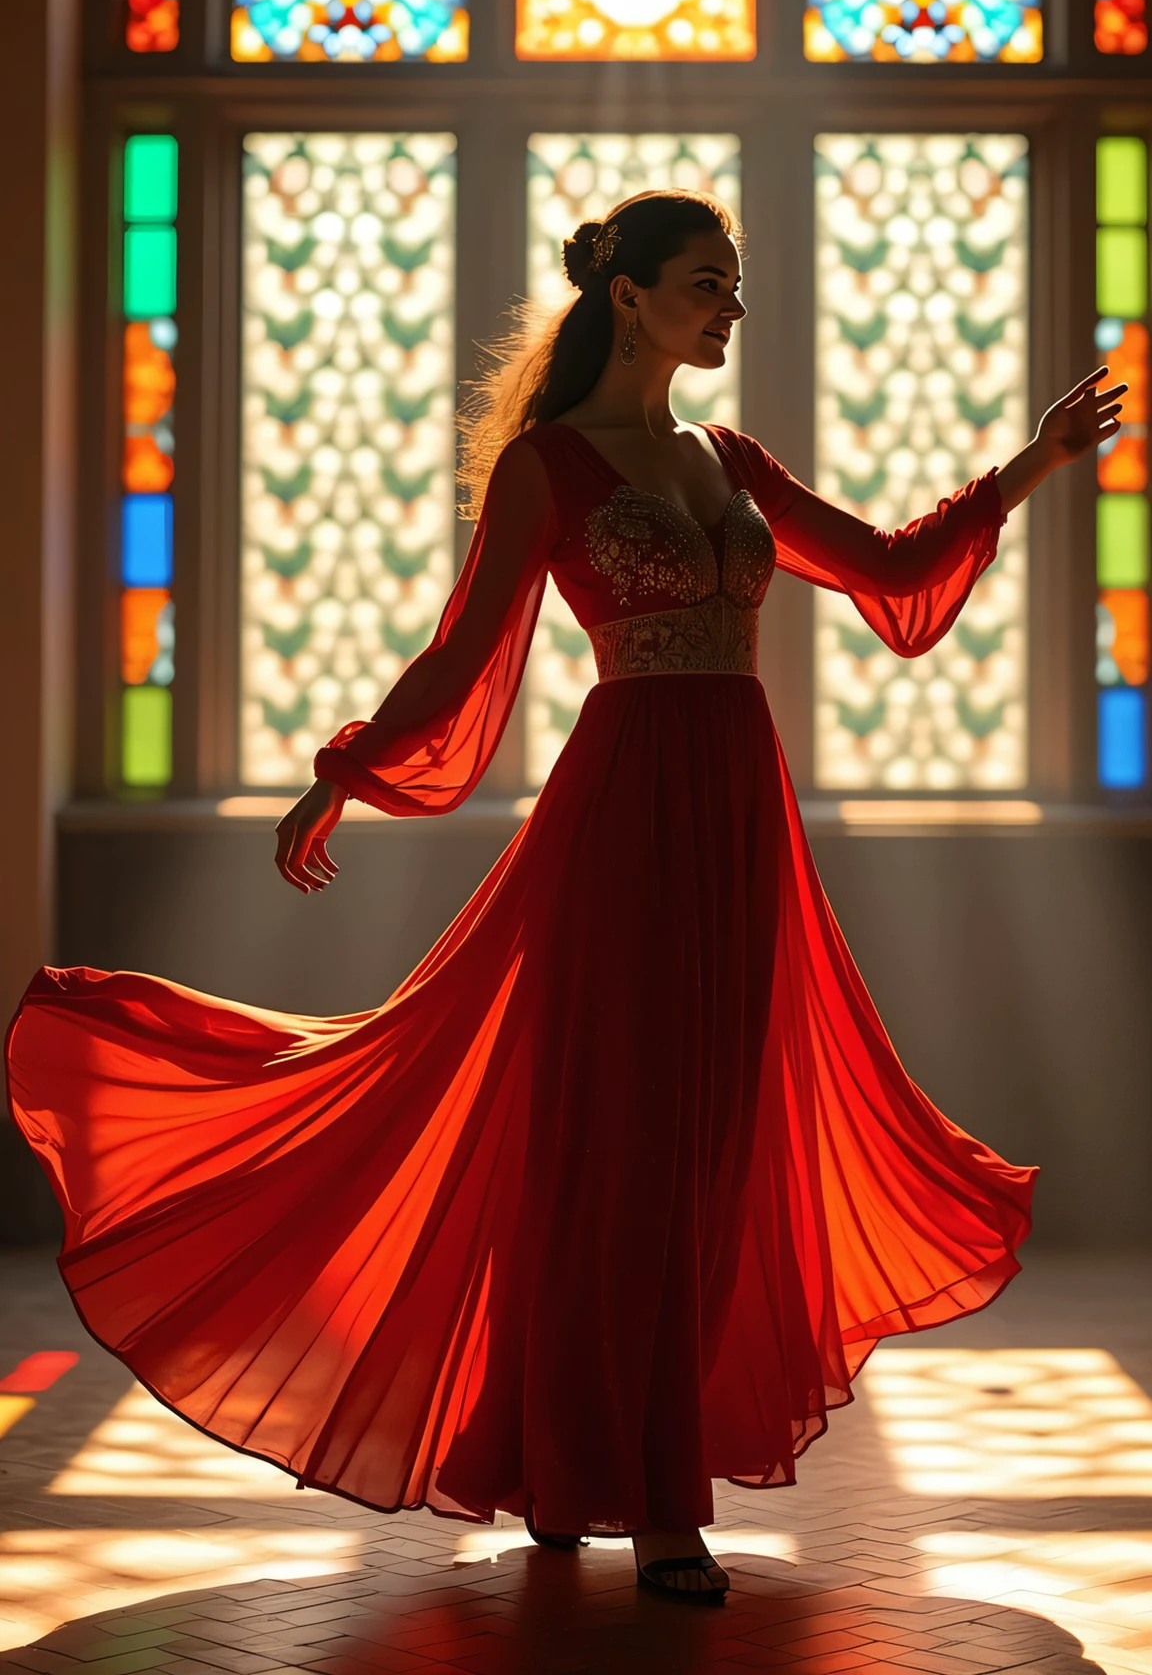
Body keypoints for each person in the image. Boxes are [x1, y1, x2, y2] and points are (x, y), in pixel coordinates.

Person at [6, 191, 1122, 1607]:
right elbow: (465, 652)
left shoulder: (730, 458)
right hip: (622, 824)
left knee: (710, 1159)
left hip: (740, 824)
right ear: (631, 298)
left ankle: (567, 1458)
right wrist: (342, 770)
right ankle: (658, 1505)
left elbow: (895, 577)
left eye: (736, 284)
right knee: (627, 1159)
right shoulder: (548, 468)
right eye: (707, 284)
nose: (730, 309)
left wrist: (1034, 463)